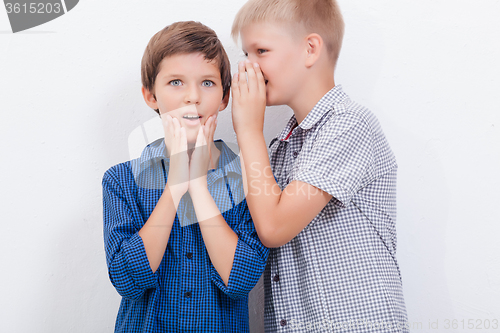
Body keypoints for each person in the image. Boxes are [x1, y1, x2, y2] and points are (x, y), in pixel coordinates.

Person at [230, 0, 409, 331]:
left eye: (261, 51)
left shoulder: (349, 124)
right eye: (245, 55)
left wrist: (249, 131)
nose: (248, 68)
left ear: (310, 49)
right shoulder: (280, 150)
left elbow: (273, 227)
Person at [102, 21, 268, 333]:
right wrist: (175, 186)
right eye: (176, 82)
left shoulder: (250, 179)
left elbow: (242, 280)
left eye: (207, 83)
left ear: (224, 97)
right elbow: (127, 280)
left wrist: (198, 187)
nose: (192, 96)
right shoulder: (121, 181)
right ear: (151, 96)